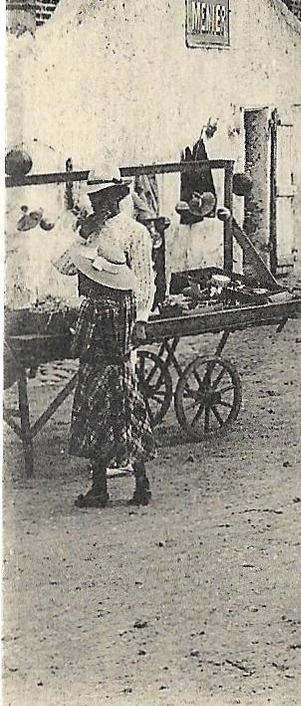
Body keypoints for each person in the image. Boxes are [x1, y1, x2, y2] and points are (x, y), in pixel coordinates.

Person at [53, 175, 157, 508]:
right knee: (92, 403)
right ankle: (99, 486)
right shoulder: (88, 231)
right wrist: (84, 233)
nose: (101, 205)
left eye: (106, 199)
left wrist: (141, 320)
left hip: (121, 319)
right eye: (96, 200)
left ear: (118, 198)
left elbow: (144, 281)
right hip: (93, 319)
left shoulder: (134, 232)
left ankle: (141, 483)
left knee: (124, 402)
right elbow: (65, 267)